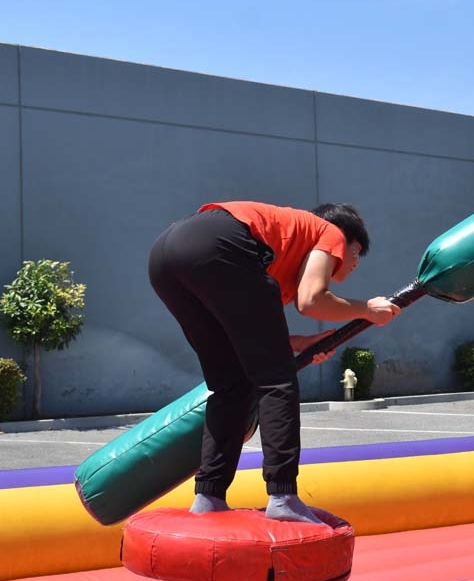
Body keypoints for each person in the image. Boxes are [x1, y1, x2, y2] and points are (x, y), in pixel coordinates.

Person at [148, 201, 401, 523]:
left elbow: (253, 340)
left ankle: (209, 496)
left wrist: (301, 344)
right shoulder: (329, 231)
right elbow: (312, 301)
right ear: (347, 239)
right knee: (277, 382)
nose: (353, 262)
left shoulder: (272, 262)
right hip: (217, 242)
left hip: (166, 257)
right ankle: (283, 496)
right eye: (357, 252)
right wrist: (367, 309)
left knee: (231, 385)